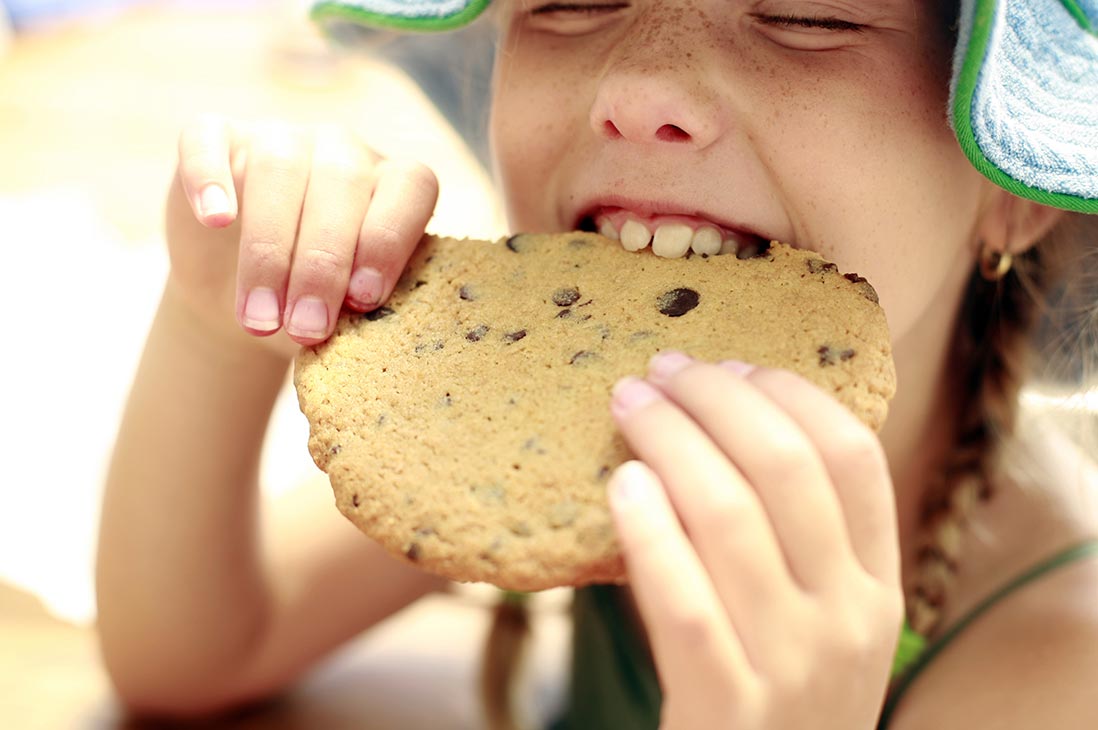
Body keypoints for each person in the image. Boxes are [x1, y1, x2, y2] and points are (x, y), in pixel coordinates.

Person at [96, 0, 1098, 727]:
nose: (639, 90)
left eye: (805, 16)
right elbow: (189, 655)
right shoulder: (549, 429)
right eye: (573, 2)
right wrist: (220, 320)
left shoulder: (1060, 660)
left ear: (1013, 185)